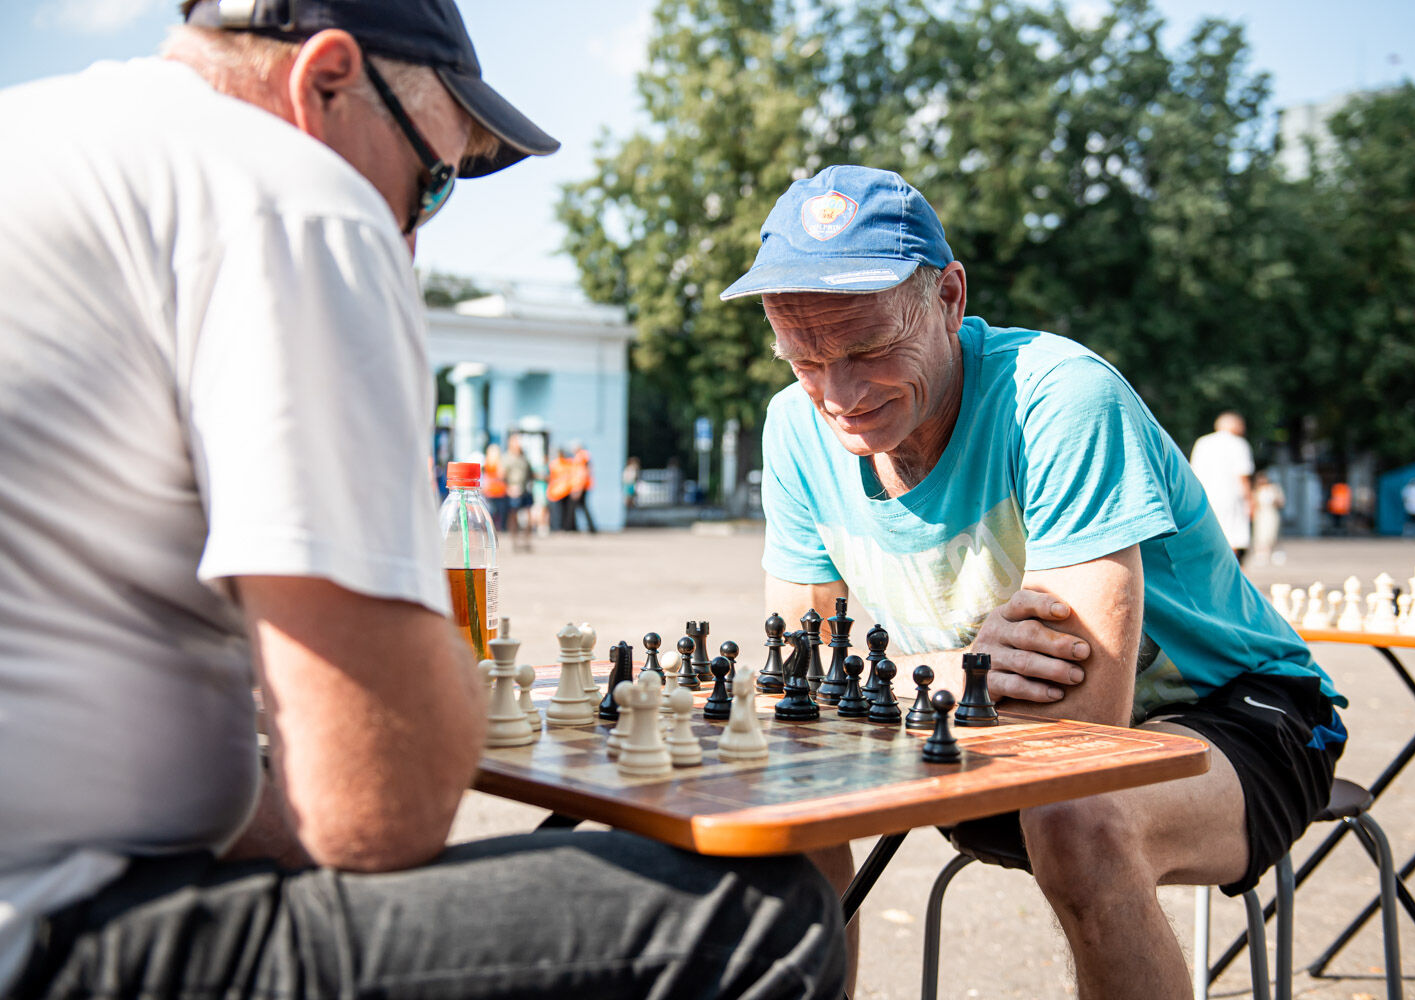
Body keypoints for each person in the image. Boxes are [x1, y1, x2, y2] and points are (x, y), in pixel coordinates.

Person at [0, 3, 845, 997]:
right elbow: (376, 805)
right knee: (766, 918)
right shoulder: (289, 192)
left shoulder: (40, 135)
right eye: (430, 183)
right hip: (59, 934)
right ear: (325, 84)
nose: (410, 242)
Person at [720, 165, 1345, 1000]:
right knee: (783, 798)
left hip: (1241, 716)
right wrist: (945, 673)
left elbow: (1079, 735)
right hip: (980, 725)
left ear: (948, 297)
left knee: (1079, 819)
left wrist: (897, 681)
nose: (837, 396)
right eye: (804, 359)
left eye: (868, 349)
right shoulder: (792, 428)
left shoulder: (1059, 395)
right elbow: (801, 689)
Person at [1189, 412, 1255, 563]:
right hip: (1231, 497)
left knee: (1210, 534)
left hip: (1205, 496)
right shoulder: (1238, 444)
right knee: (1232, 536)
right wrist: (1250, 500)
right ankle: (1231, 572)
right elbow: (1242, 475)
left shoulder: (1202, 442)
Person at [500, 432, 535, 551]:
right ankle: (514, 541)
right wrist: (509, 488)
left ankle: (527, 541)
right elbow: (501, 475)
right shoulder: (506, 457)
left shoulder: (524, 457)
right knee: (513, 515)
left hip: (525, 490)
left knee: (529, 516)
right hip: (513, 491)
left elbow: (531, 473)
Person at [1250, 471, 1286, 566]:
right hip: (1261, 514)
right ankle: (1261, 554)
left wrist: (1275, 501)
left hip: (1271, 513)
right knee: (1260, 534)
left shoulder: (1274, 489)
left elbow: (1281, 502)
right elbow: (1253, 503)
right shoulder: (1256, 491)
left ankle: (1274, 553)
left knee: (1272, 533)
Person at [570, 439, 599, 533]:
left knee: (576, 506)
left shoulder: (582, 456)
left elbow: (582, 473)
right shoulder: (581, 457)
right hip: (581, 485)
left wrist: (578, 488)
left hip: (581, 486)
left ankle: (572, 527)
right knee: (582, 506)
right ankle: (589, 527)